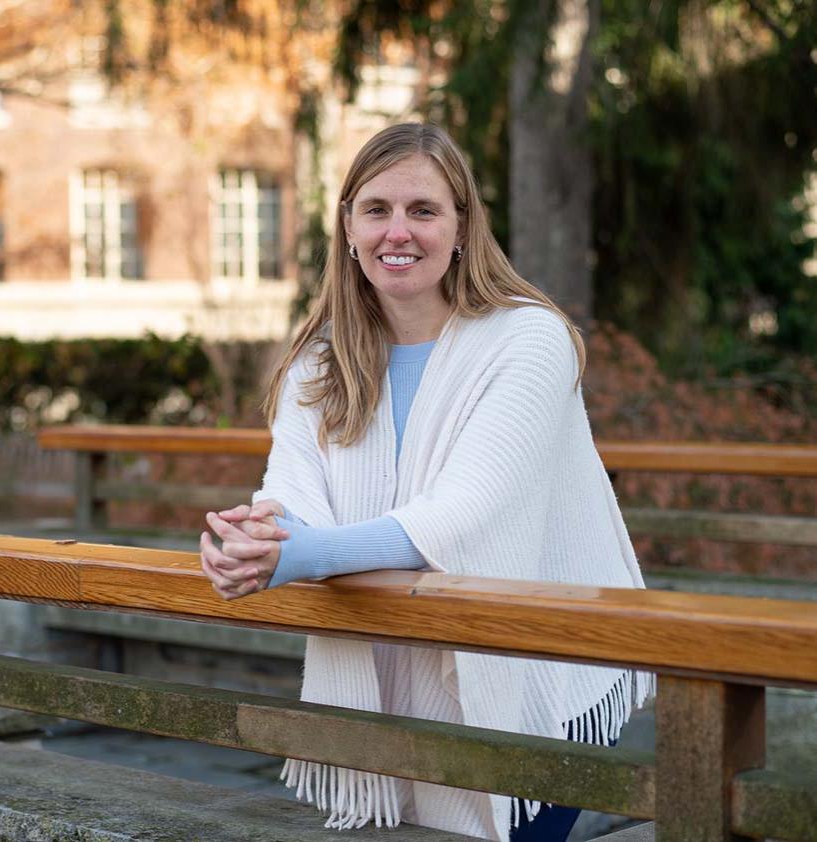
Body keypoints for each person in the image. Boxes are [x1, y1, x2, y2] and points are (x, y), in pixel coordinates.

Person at [199, 122, 652, 841]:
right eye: (376, 209)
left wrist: (290, 558)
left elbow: (466, 513)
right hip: (388, 674)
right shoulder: (321, 359)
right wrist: (247, 538)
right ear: (347, 227)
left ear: (463, 226)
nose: (397, 231)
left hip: (529, 675)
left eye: (423, 210)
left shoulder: (530, 340)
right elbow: (291, 492)